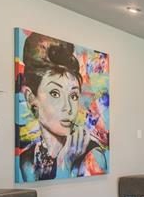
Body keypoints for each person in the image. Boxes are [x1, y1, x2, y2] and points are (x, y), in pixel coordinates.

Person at [16, 32, 107, 181]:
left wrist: (66, 163)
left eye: (73, 96)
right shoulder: (27, 160)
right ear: (31, 98)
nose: (68, 108)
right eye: (55, 93)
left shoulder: (93, 155)